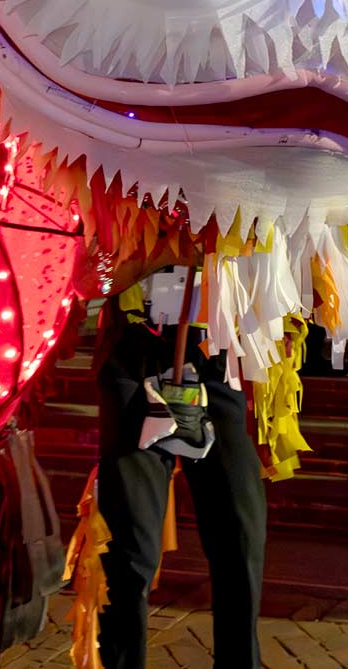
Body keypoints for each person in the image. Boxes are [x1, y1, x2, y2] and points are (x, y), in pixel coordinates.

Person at [92, 239, 266, 669]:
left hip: (213, 356)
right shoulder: (114, 178)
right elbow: (86, 280)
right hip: (134, 358)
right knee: (131, 545)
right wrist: (164, 253)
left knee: (241, 529)